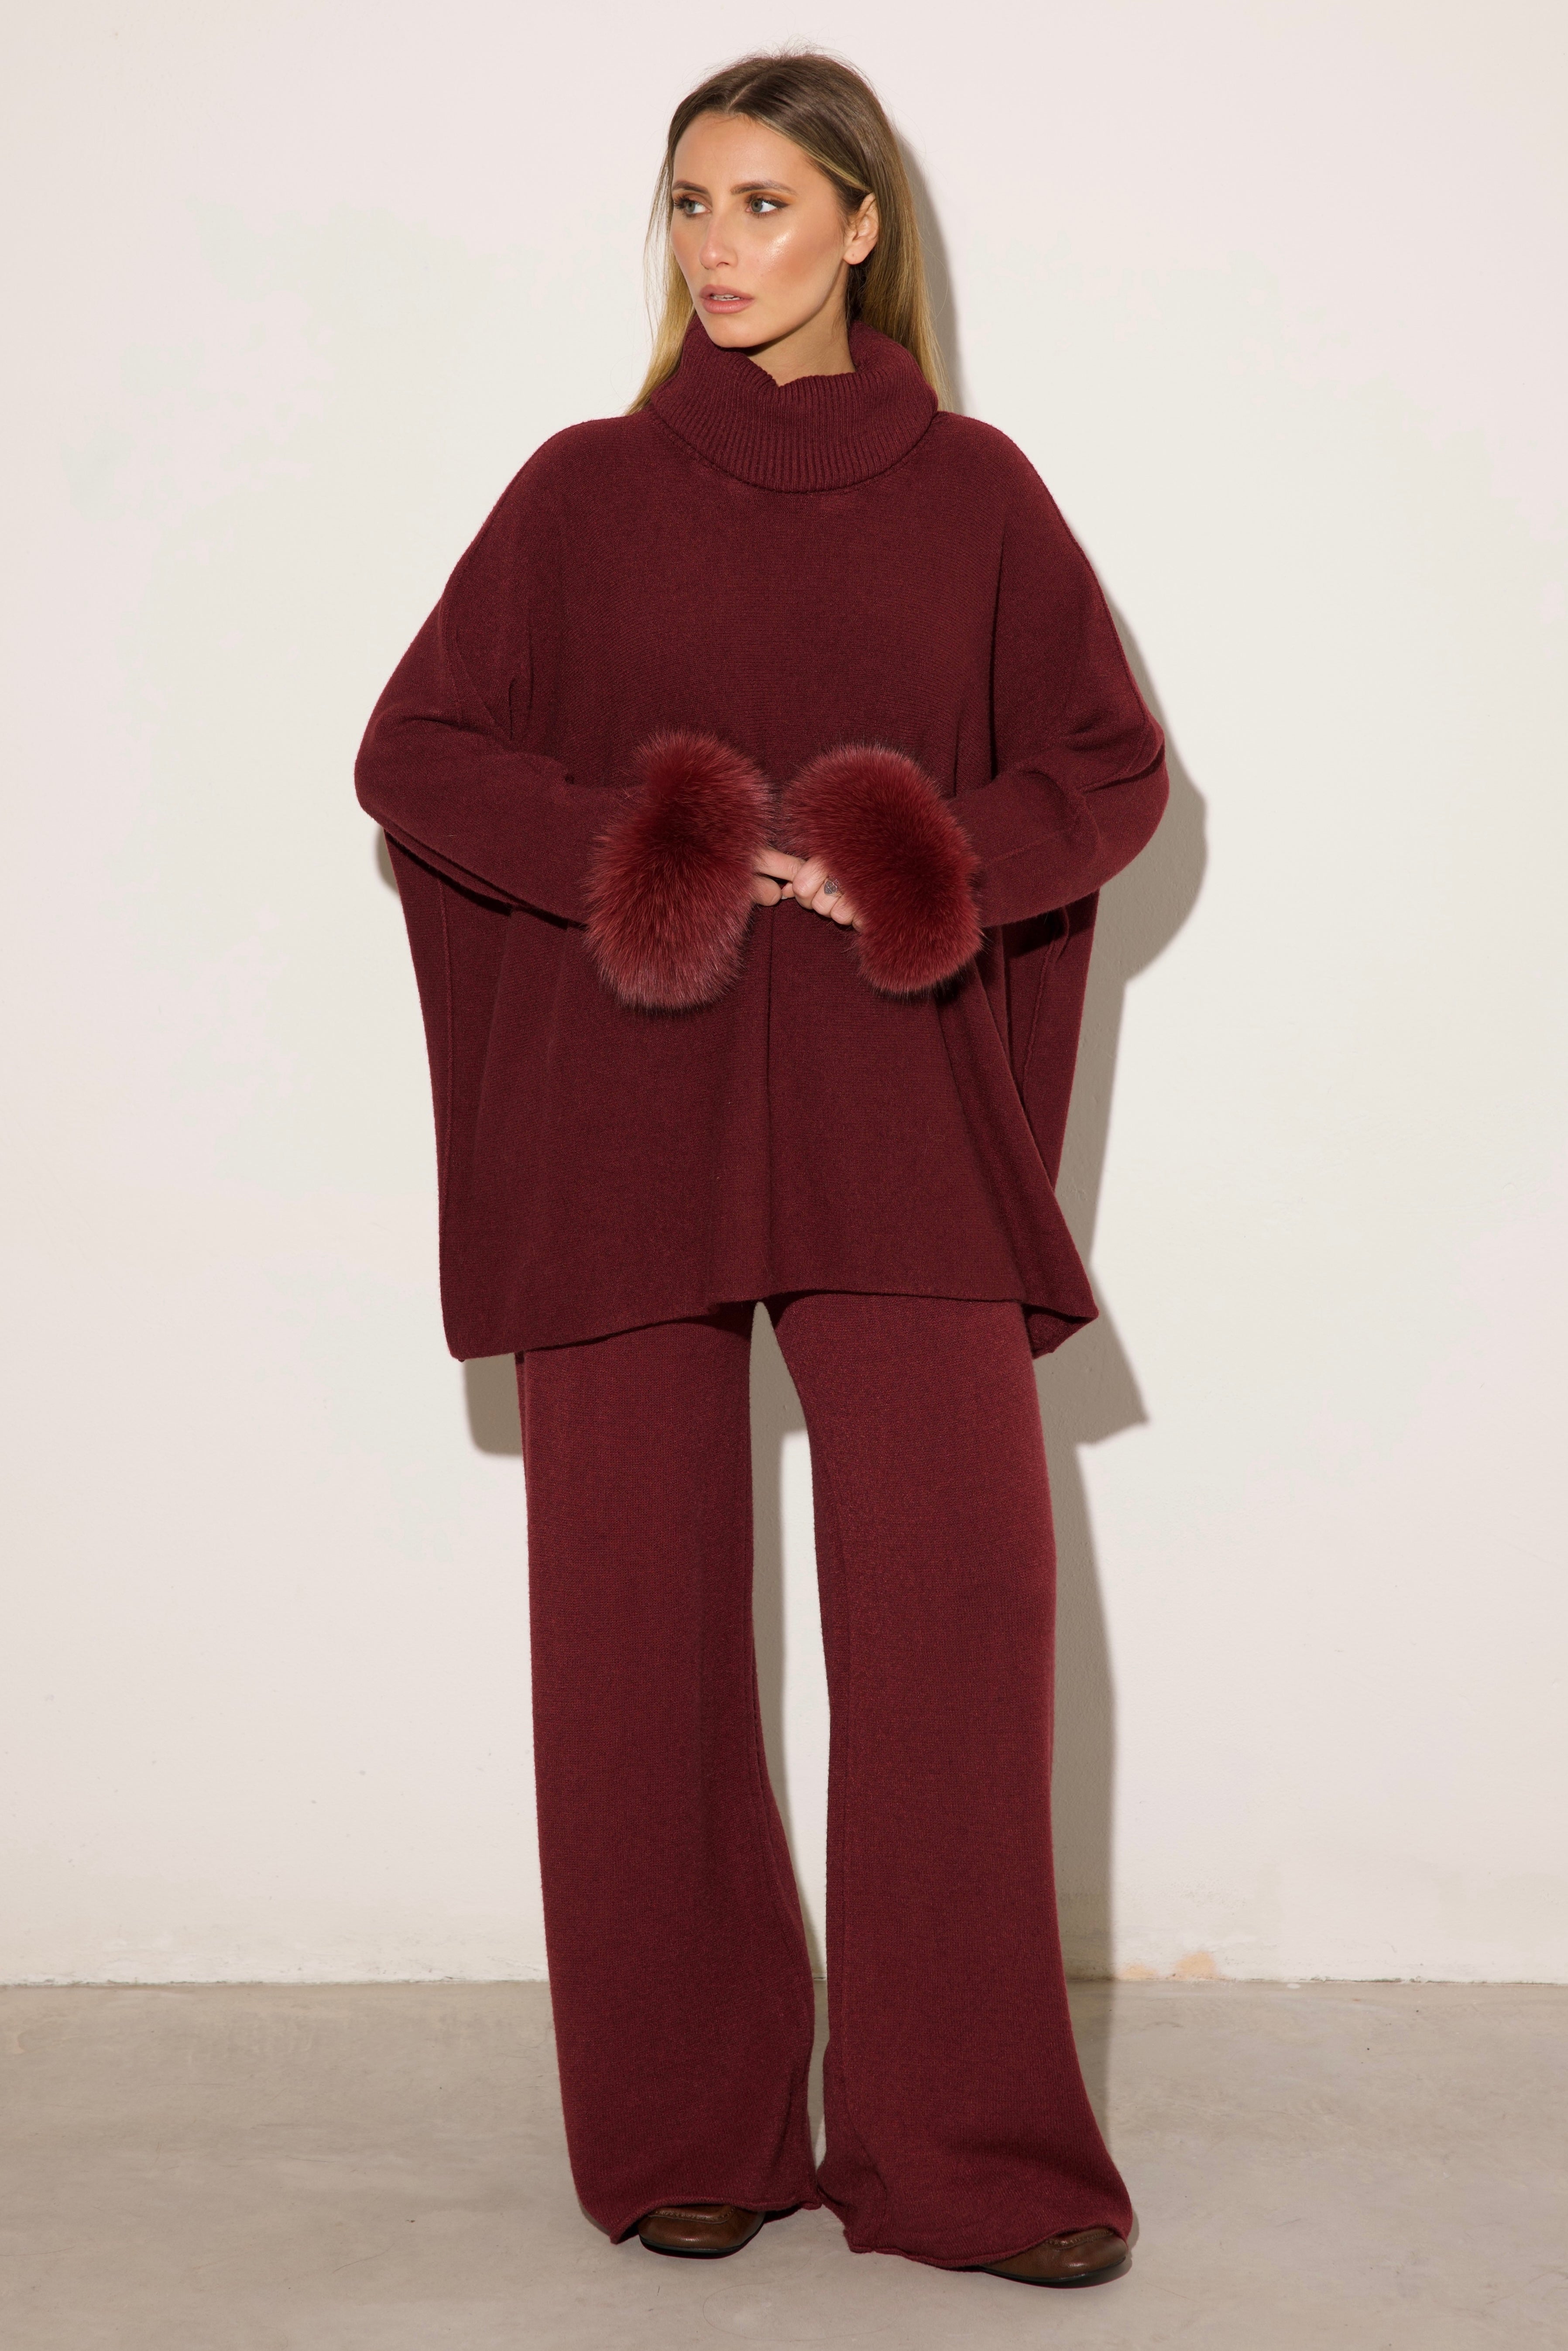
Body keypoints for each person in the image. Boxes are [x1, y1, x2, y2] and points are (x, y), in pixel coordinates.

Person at [356, 48, 1167, 2290]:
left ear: (860, 226)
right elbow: (412, 749)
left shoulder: (976, 496)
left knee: (957, 1614)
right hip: (626, 1124)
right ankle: (685, 2127)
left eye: (764, 205)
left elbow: (1106, 765)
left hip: (890, 1118)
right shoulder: (582, 492)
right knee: (633, 1633)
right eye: (691, 206)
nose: (718, 249)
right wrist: (644, 847)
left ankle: (966, 2156)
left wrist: (927, 858)